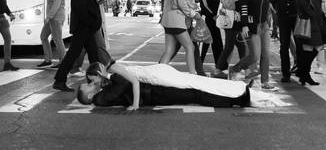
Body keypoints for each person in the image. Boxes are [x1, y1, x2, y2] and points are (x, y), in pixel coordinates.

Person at [78, 60, 251, 109]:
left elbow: (122, 82)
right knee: (195, 94)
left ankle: (235, 92)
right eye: (87, 85)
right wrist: (107, 75)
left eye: (90, 81)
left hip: (153, 90)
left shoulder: (102, 93)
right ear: (89, 96)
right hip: (153, 95)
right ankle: (235, 99)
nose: (90, 83)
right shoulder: (101, 98)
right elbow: (123, 83)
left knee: (194, 88)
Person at [53, 0, 102, 91]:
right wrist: (90, 23)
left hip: (86, 28)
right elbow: (80, 7)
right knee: (74, 54)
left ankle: (95, 81)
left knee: (93, 55)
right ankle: (60, 80)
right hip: (83, 27)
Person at [227, 0, 273, 89]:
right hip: (252, 26)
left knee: (266, 54)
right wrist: (245, 25)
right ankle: (235, 69)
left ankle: (265, 81)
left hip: (264, 25)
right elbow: (243, 7)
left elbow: (266, 5)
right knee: (254, 55)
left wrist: (269, 21)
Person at [158, 0, 203, 75]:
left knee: (169, 51)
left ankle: (156, 75)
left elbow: (176, 1)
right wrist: (194, 14)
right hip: (178, 21)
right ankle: (193, 74)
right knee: (190, 47)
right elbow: (182, 3)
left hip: (167, 21)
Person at [294, 0, 326, 86]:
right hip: (311, 22)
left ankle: (304, 74)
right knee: (314, 48)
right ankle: (304, 73)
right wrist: (313, 14)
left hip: (315, 21)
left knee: (312, 49)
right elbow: (301, 3)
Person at [269, 0, 303, 83]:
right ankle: (285, 73)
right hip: (282, 16)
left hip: (296, 15)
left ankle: (301, 70)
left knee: (299, 43)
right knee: (284, 46)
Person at [214, 0, 246, 77]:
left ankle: (245, 69)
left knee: (241, 47)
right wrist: (237, 1)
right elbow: (228, 4)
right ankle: (218, 69)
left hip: (237, 21)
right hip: (229, 21)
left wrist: (237, 1)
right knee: (229, 47)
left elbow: (243, 3)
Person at [39, 0, 66, 68]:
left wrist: (49, 16)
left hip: (55, 18)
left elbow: (56, 4)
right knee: (43, 36)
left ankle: (63, 61)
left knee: (57, 40)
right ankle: (48, 60)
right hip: (51, 18)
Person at [197, 0, 223, 70]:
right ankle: (198, 67)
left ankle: (219, 67)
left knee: (218, 44)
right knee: (204, 45)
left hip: (215, 22)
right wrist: (213, 16)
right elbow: (204, 6)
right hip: (207, 20)